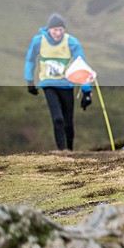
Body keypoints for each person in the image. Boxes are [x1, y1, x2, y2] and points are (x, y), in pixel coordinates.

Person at [24, 13, 92, 150]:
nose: (58, 33)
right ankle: (62, 151)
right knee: (58, 119)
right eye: (55, 30)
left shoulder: (72, 42)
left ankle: (70, 151)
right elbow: (30, 60)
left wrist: (86, 91)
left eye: (61, 30)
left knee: (68, 123)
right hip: (48, 84)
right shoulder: (38, 41)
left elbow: (81, 65)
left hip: (67, 85)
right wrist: (30, 81)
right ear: (49, 29)